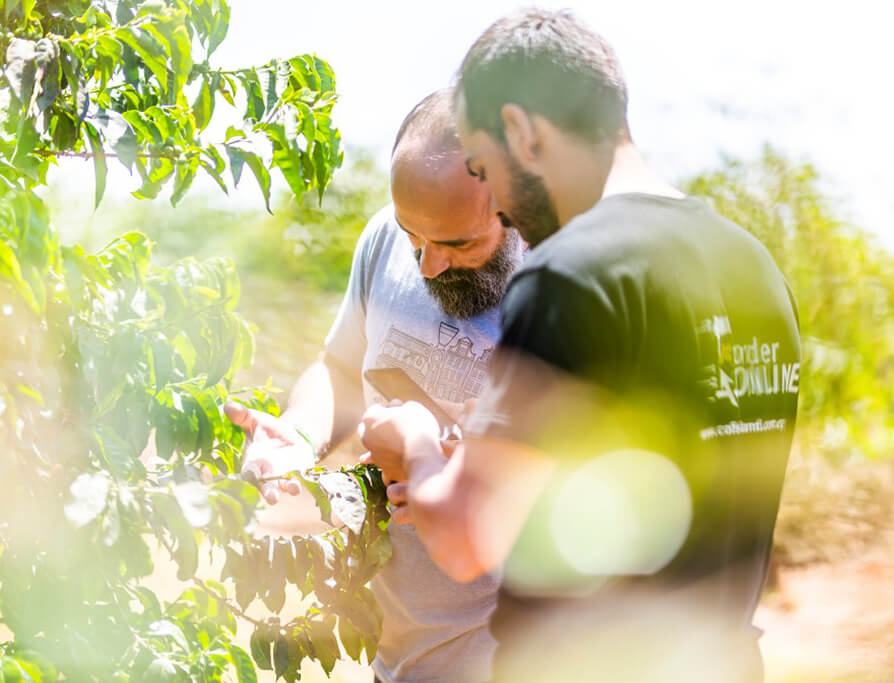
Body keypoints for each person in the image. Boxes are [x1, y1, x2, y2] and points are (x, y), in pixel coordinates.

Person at [359, 9, 801, 682]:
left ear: (522, 132)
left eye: (484, 164)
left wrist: (416, 438)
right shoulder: (753, 269)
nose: (498, 206)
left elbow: (464, 536)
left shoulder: (571, 274)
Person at [227, 88, 525, 683]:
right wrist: (298, 435)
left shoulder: (565, 278)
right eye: (416, 237)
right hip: (400, 654)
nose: (427, 266)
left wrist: (461, 477)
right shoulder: (384, 238)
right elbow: (339, 370)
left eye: (455, 243)